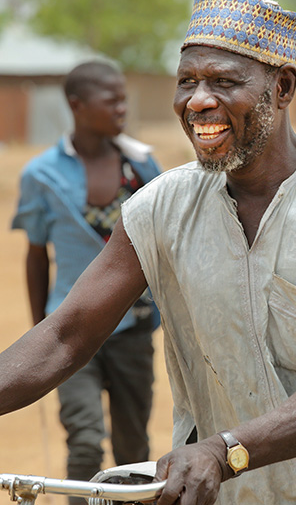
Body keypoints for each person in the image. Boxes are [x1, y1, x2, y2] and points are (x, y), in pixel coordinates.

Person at [0, 0, 296, 505]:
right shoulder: (158, 209)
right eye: (187, 82)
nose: (197, 101)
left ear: (282, 88)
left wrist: (225, 452)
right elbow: (66, 335)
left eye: (223, 81)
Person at [10, 61, 161, 503]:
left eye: (124, 98)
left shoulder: (140, 166)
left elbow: (163, 240)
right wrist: (42, 328)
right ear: (76, 105)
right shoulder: (42, 175)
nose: (122, 107)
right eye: (111, 99)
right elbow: (37, 257)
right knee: (84, 439)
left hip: (133, 327)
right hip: (71, 332)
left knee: (133, 449)